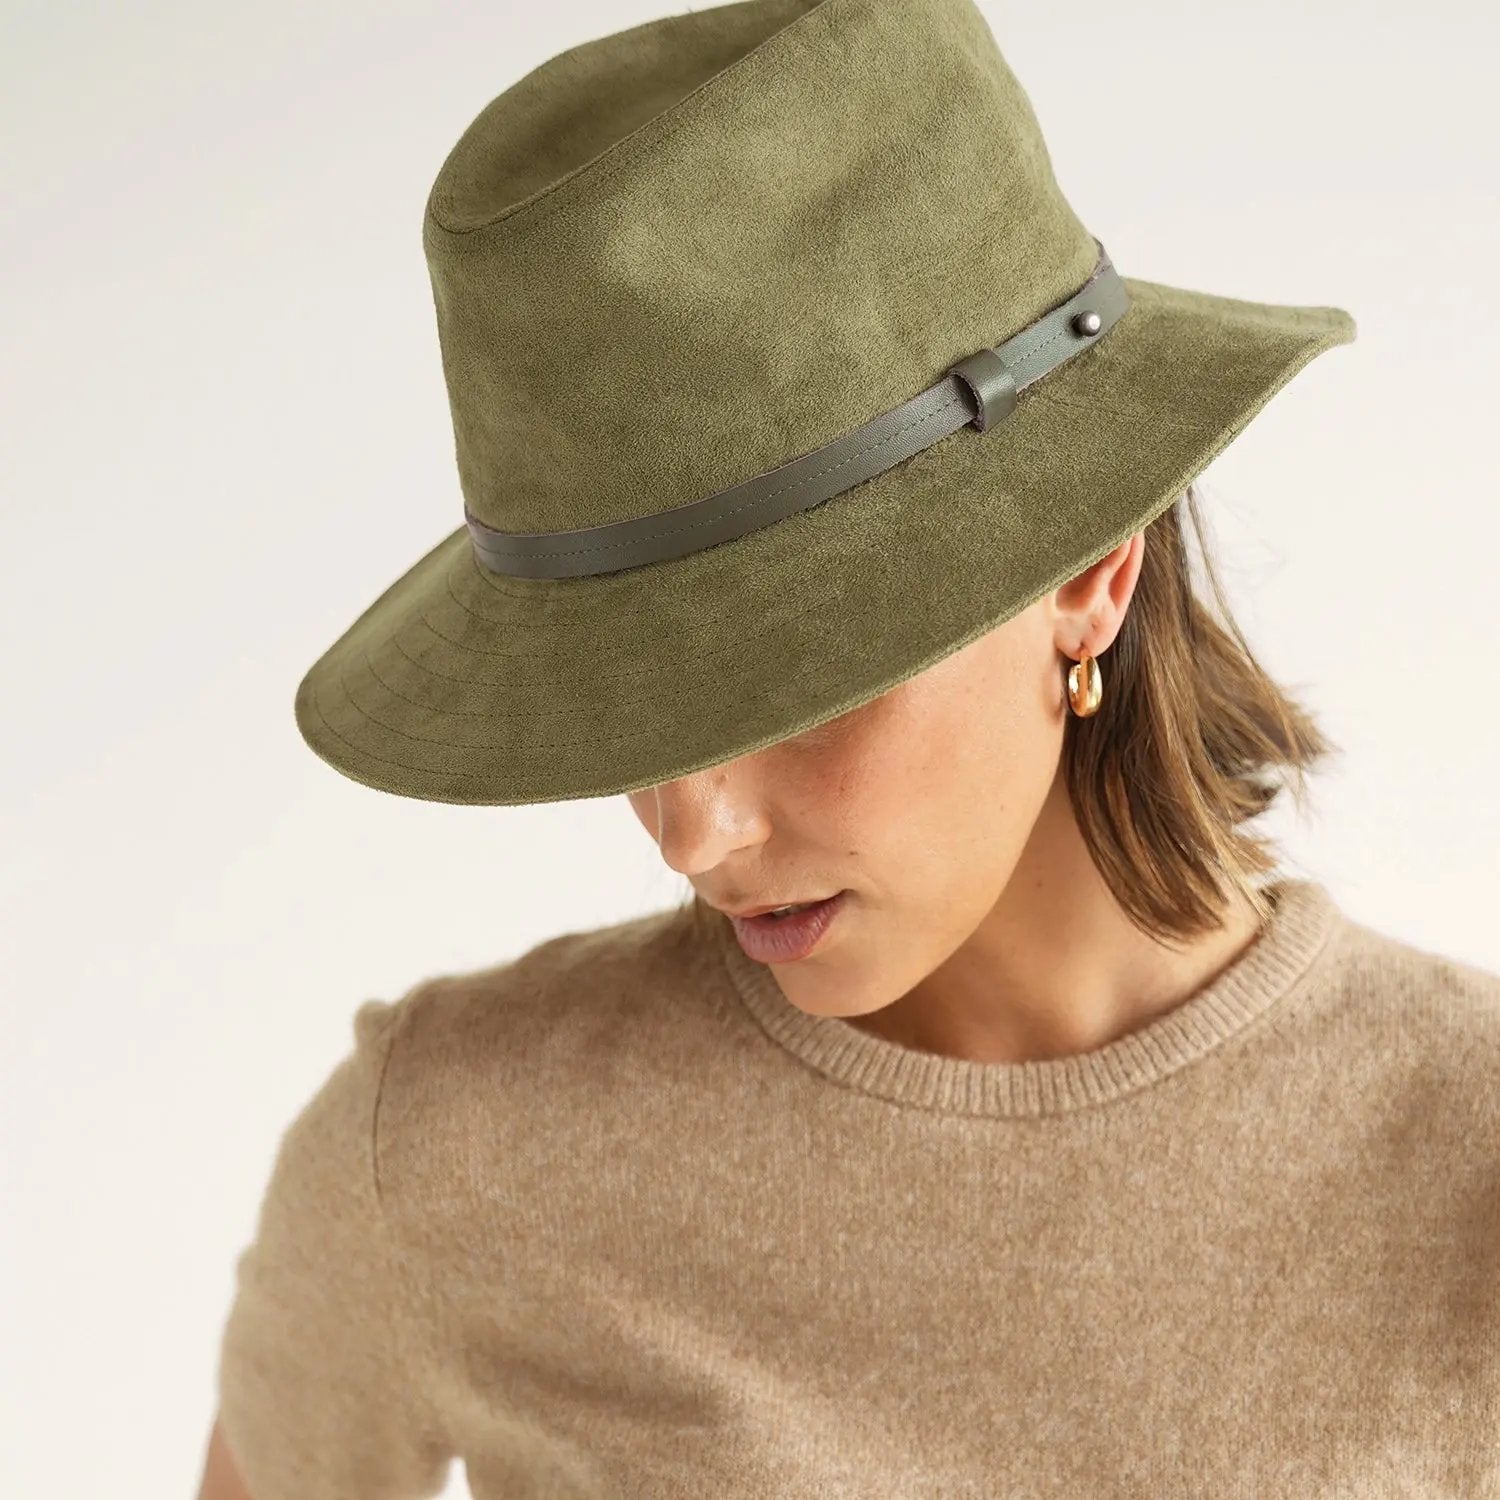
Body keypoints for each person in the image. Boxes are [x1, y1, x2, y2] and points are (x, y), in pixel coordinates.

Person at [197, 0, 1500, 1495]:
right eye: (628, 710)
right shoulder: (452, 1155)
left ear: (1089, 570)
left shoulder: (1466, 1175)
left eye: (786, 682)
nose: (691, 832)